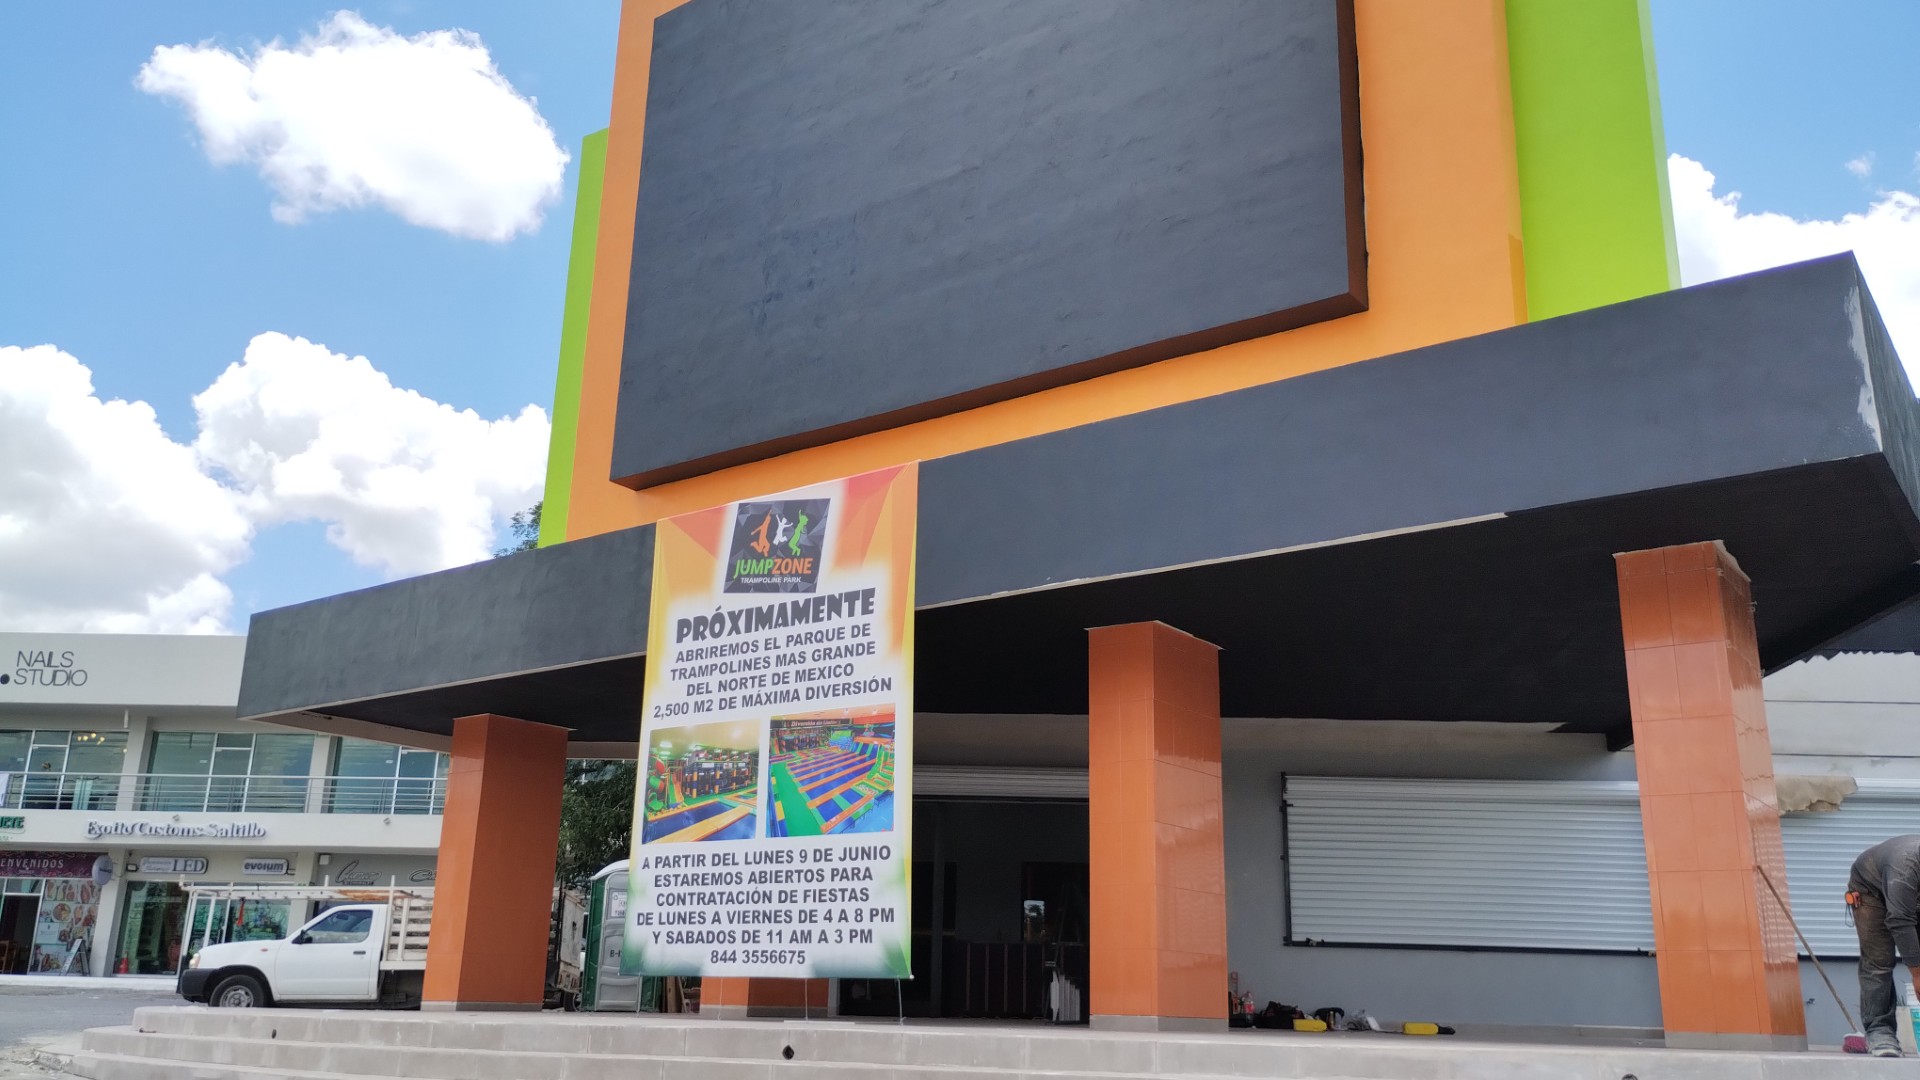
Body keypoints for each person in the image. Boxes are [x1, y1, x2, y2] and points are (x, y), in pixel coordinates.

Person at [1850, 835, 1920, 1058]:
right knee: (1879, 959)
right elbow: (1900, 919)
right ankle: (1880, 1031)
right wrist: (1917, 974)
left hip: (1910, 896)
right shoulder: (1906, 865)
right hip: (1871, 889)